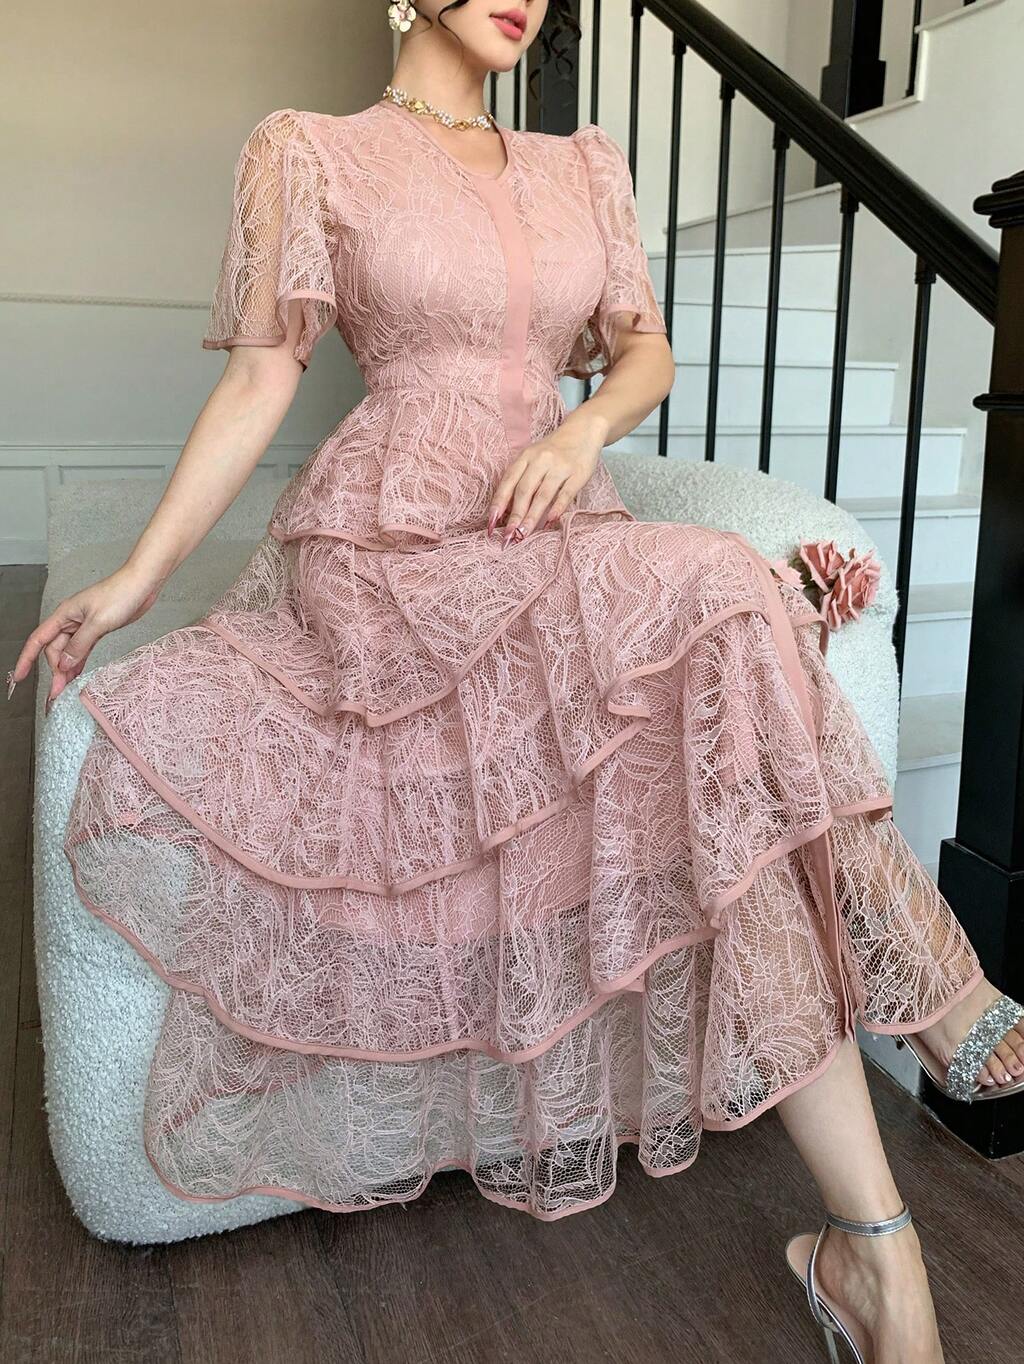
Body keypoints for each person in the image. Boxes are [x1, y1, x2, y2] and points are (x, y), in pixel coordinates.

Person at [9, 2, 1024, 1359]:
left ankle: (876, 1247)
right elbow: (259, 383)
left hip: (553, 531)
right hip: (393, 552)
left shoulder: (578, 165)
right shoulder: (309, 150)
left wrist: (583, 427)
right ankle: (941, 1008)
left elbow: (643, 348)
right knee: (726, 593)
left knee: (730, 732)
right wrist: (139, 577)